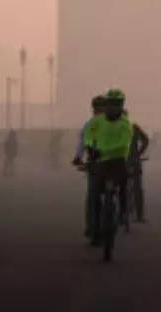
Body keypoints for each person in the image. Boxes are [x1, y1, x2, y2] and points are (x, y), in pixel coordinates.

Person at [83, 88, 133, 243]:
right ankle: (95, 226)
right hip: (101, 161)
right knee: (95, 194)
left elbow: (125, 141)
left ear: (121, 105)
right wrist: (91, 146)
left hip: (117, 160)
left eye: (116, 104)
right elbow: (88, 135)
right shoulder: (96, 121)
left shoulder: (126, 123)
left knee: (124, 183)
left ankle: (123, 212)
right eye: (110, 104)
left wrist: (104, 150)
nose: (112, 107)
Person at [73, 95, 106, 238]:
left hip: (99, 163)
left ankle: (92, 226)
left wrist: (78, 158)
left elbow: (82, 144)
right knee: (95, 195)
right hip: (102, 163)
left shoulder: (90, 124)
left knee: (93, 196)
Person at [125, 111, 151, 222]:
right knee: (137, 189)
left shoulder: (113, 128)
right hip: (134, 161)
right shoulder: (133, 127)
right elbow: (145, 140)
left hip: (119, 162)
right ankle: (139, 216)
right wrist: (139, 153)